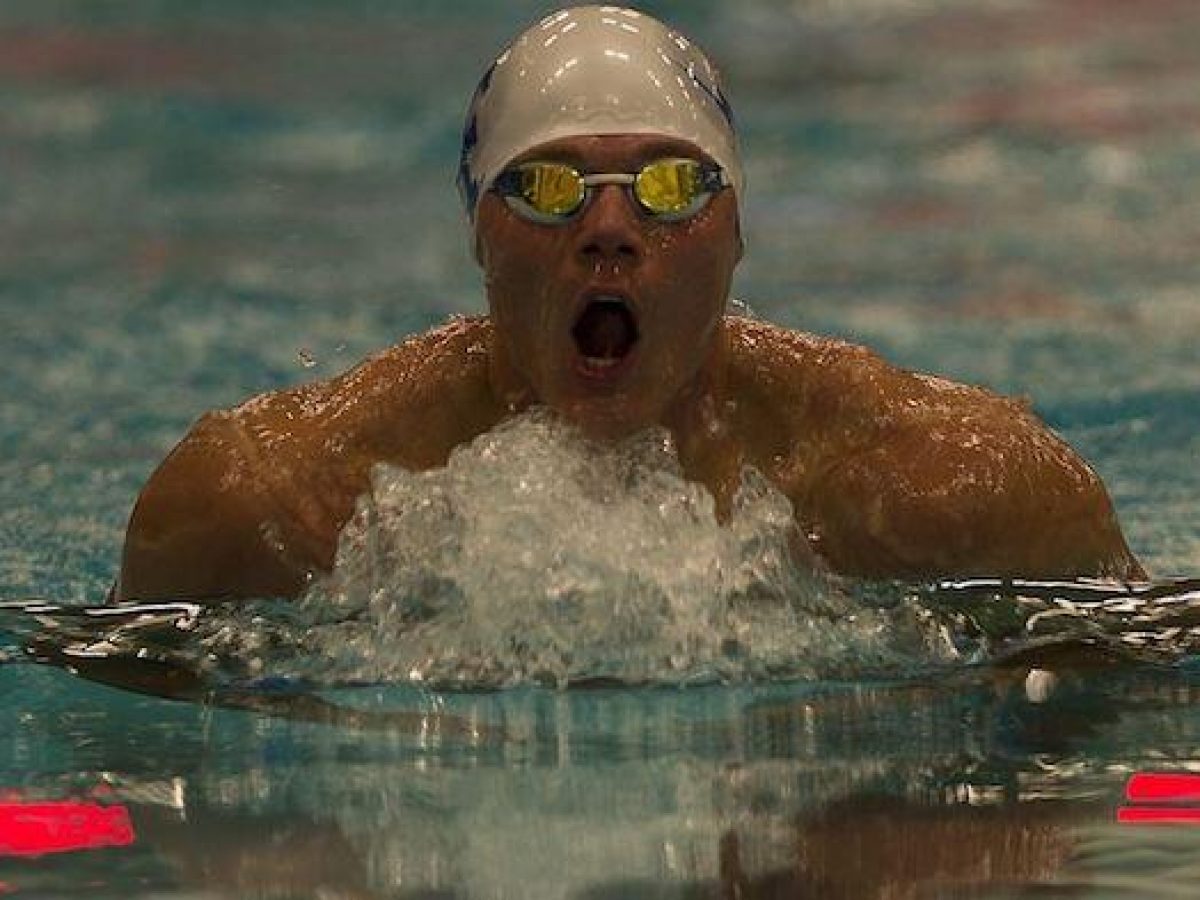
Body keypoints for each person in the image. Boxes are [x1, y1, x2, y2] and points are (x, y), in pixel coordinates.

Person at [115, 5, 1144, 603]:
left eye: (672, 187)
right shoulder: (263, 507)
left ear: (736, 233)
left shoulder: (950, 488)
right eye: (549, 187)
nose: (610, 228)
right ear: (480, 234)